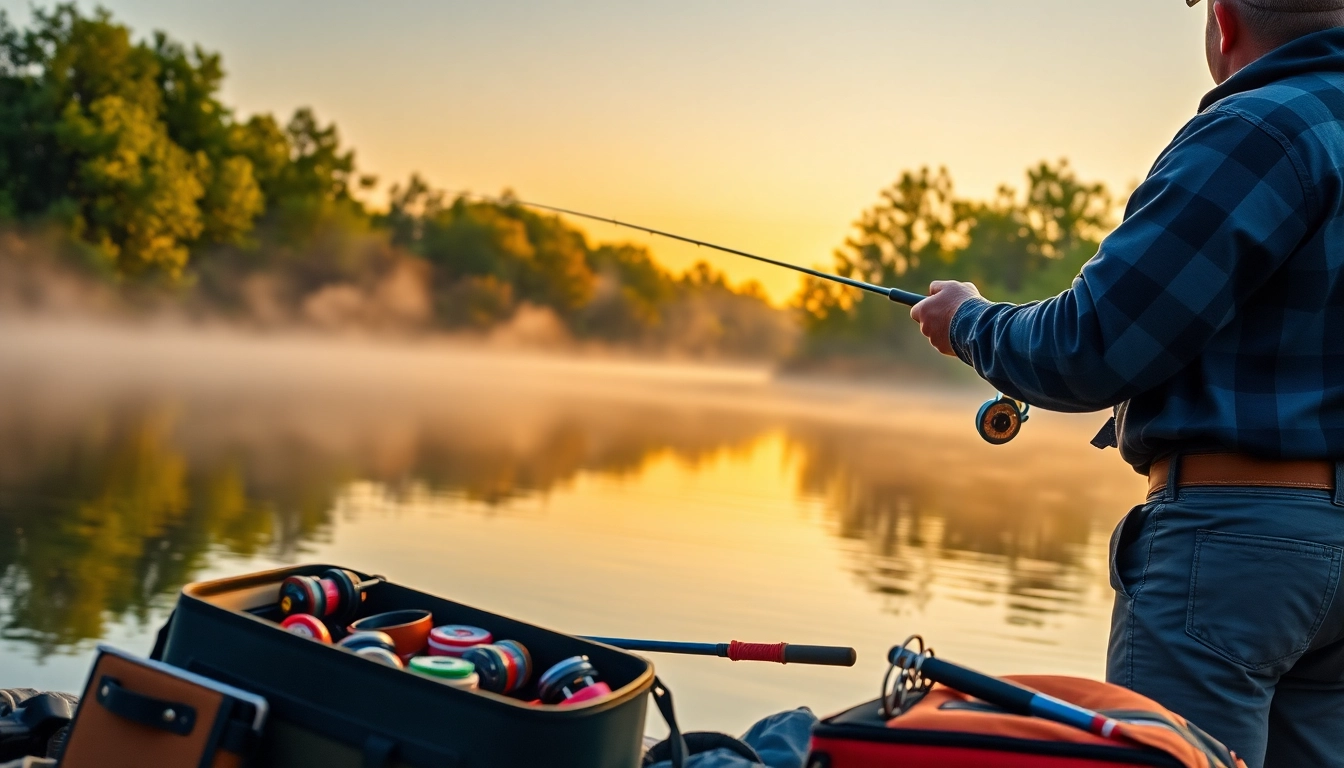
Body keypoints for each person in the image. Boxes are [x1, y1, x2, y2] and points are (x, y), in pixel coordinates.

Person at [910, 2, 1344, 767]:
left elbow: (1094, 343)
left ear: (1223, 22)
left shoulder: (1259, 130)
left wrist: (971, 322)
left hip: (1235, 549)